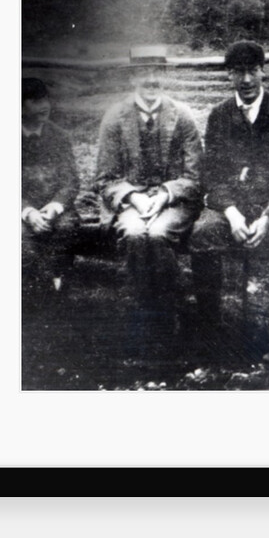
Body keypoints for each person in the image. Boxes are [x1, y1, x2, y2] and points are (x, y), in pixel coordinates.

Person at [189, 40, 269, 359]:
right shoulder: (219, 116)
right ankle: (209, 333)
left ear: (262, 72)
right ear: (229, 75)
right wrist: (230, 213)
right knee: (204, 233)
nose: (246, 81)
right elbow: (212, 174)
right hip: (233, 208)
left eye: (252, 71)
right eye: (238, 72)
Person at [94, 48, 203, 359]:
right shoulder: (115, 117)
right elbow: (105, 178)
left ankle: (171, 313)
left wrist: (166, 194)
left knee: (157, 235)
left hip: (174, 202)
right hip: (131, 203)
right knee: (133, 234)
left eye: (157, 71)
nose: (151, 79)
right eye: (143, 72)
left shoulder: (182, 116)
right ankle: (142, 314)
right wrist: (134, 197)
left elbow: (194, 176)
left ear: (164, 76)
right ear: (132, 77)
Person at [21, 77, 80, 303]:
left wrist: (56, 206)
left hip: (58, 211)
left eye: (45, 99)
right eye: (35, 101)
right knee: (23, 246)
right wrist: (28, 212)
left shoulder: (59, 137)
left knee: (66, 230)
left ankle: (60, 293)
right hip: (22, 212)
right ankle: (39, 298)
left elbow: (71, 180)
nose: (44, 106)